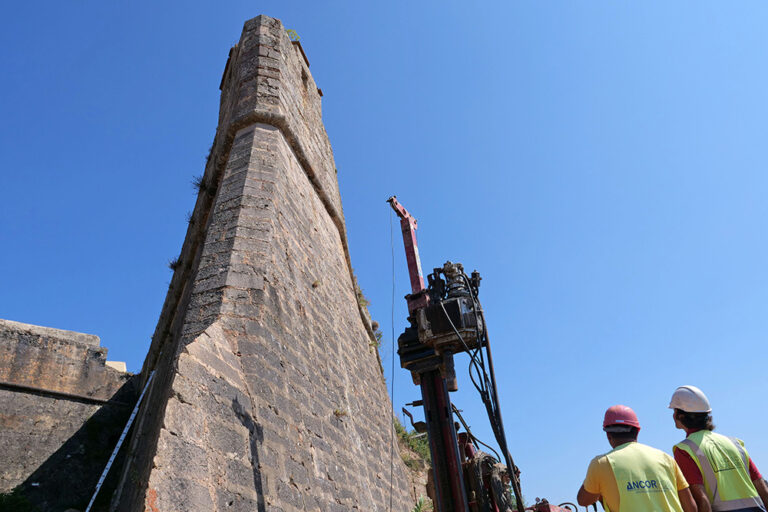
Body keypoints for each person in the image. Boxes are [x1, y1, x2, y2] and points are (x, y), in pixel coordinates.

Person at [577, 404, 697, 512]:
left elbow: (583, 500)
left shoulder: (601, 463)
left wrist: (597, 481)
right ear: (637, 431)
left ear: (608, 435)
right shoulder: (666, 458)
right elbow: (691, 508)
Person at [670, 385, 768, 512]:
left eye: (674, 411)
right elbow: (761, 487)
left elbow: (702, 500)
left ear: (680, 416)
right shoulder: (734, 443)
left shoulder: (685, 449)